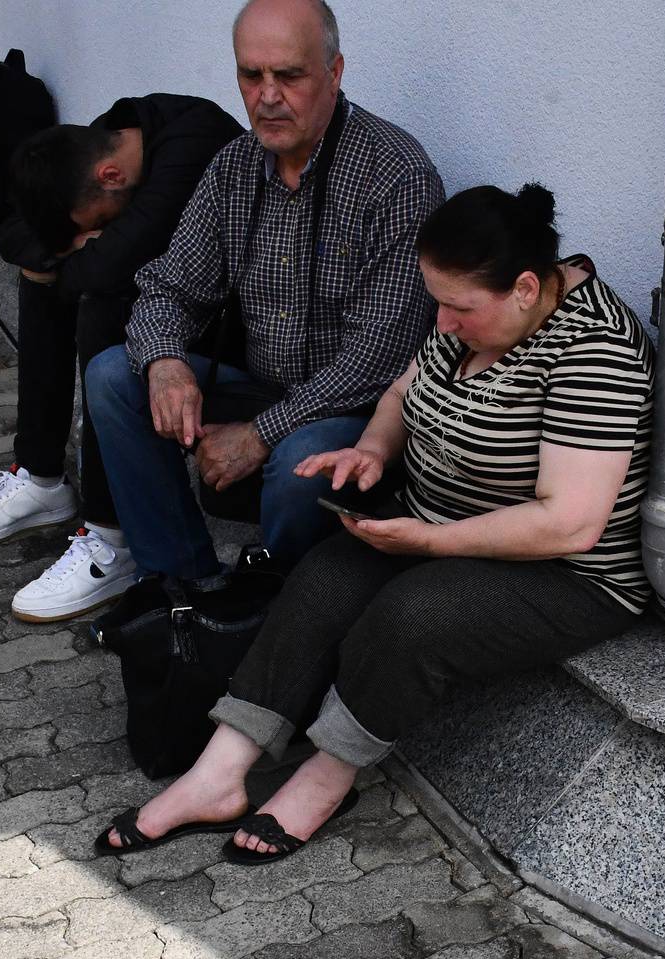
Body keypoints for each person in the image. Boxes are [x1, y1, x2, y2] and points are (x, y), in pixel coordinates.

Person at [96, 183, 654, 861]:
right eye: (437, 302)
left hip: (567, 575)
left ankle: (328, 776)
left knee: (410, 615)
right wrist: (371, 450)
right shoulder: (478, 308)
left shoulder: (597, 352)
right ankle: (217, 775)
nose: (442, 323)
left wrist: (431, 541)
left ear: (528, 289)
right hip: (446, 527)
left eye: (457, 308)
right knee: (326, 575)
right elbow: (400, 390)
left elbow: (571, 525)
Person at [73, 0, 443, 616]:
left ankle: (285, 607)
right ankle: (187, 593)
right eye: (251, 76)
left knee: (302, 462)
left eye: (289, 76)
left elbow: (380, 358)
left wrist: (259, 435)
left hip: (359, 413)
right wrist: (166, 363)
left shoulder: (394, 173)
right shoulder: (234, 167)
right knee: (115, 375)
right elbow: (169, 287)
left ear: (335, 72)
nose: (267, 97)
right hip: (265, 387)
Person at [0, 95, 244, 622]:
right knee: (43, 275)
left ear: (110, 177)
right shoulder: (112, 134)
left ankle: (112, 538)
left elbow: (115, 266)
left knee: (101, 301)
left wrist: (78, 257)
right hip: (169, 316)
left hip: (227, 329)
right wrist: (74, 249)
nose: (91, 231)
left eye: (95, 221)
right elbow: (17, 231)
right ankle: (40, 477)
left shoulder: (194, 148)